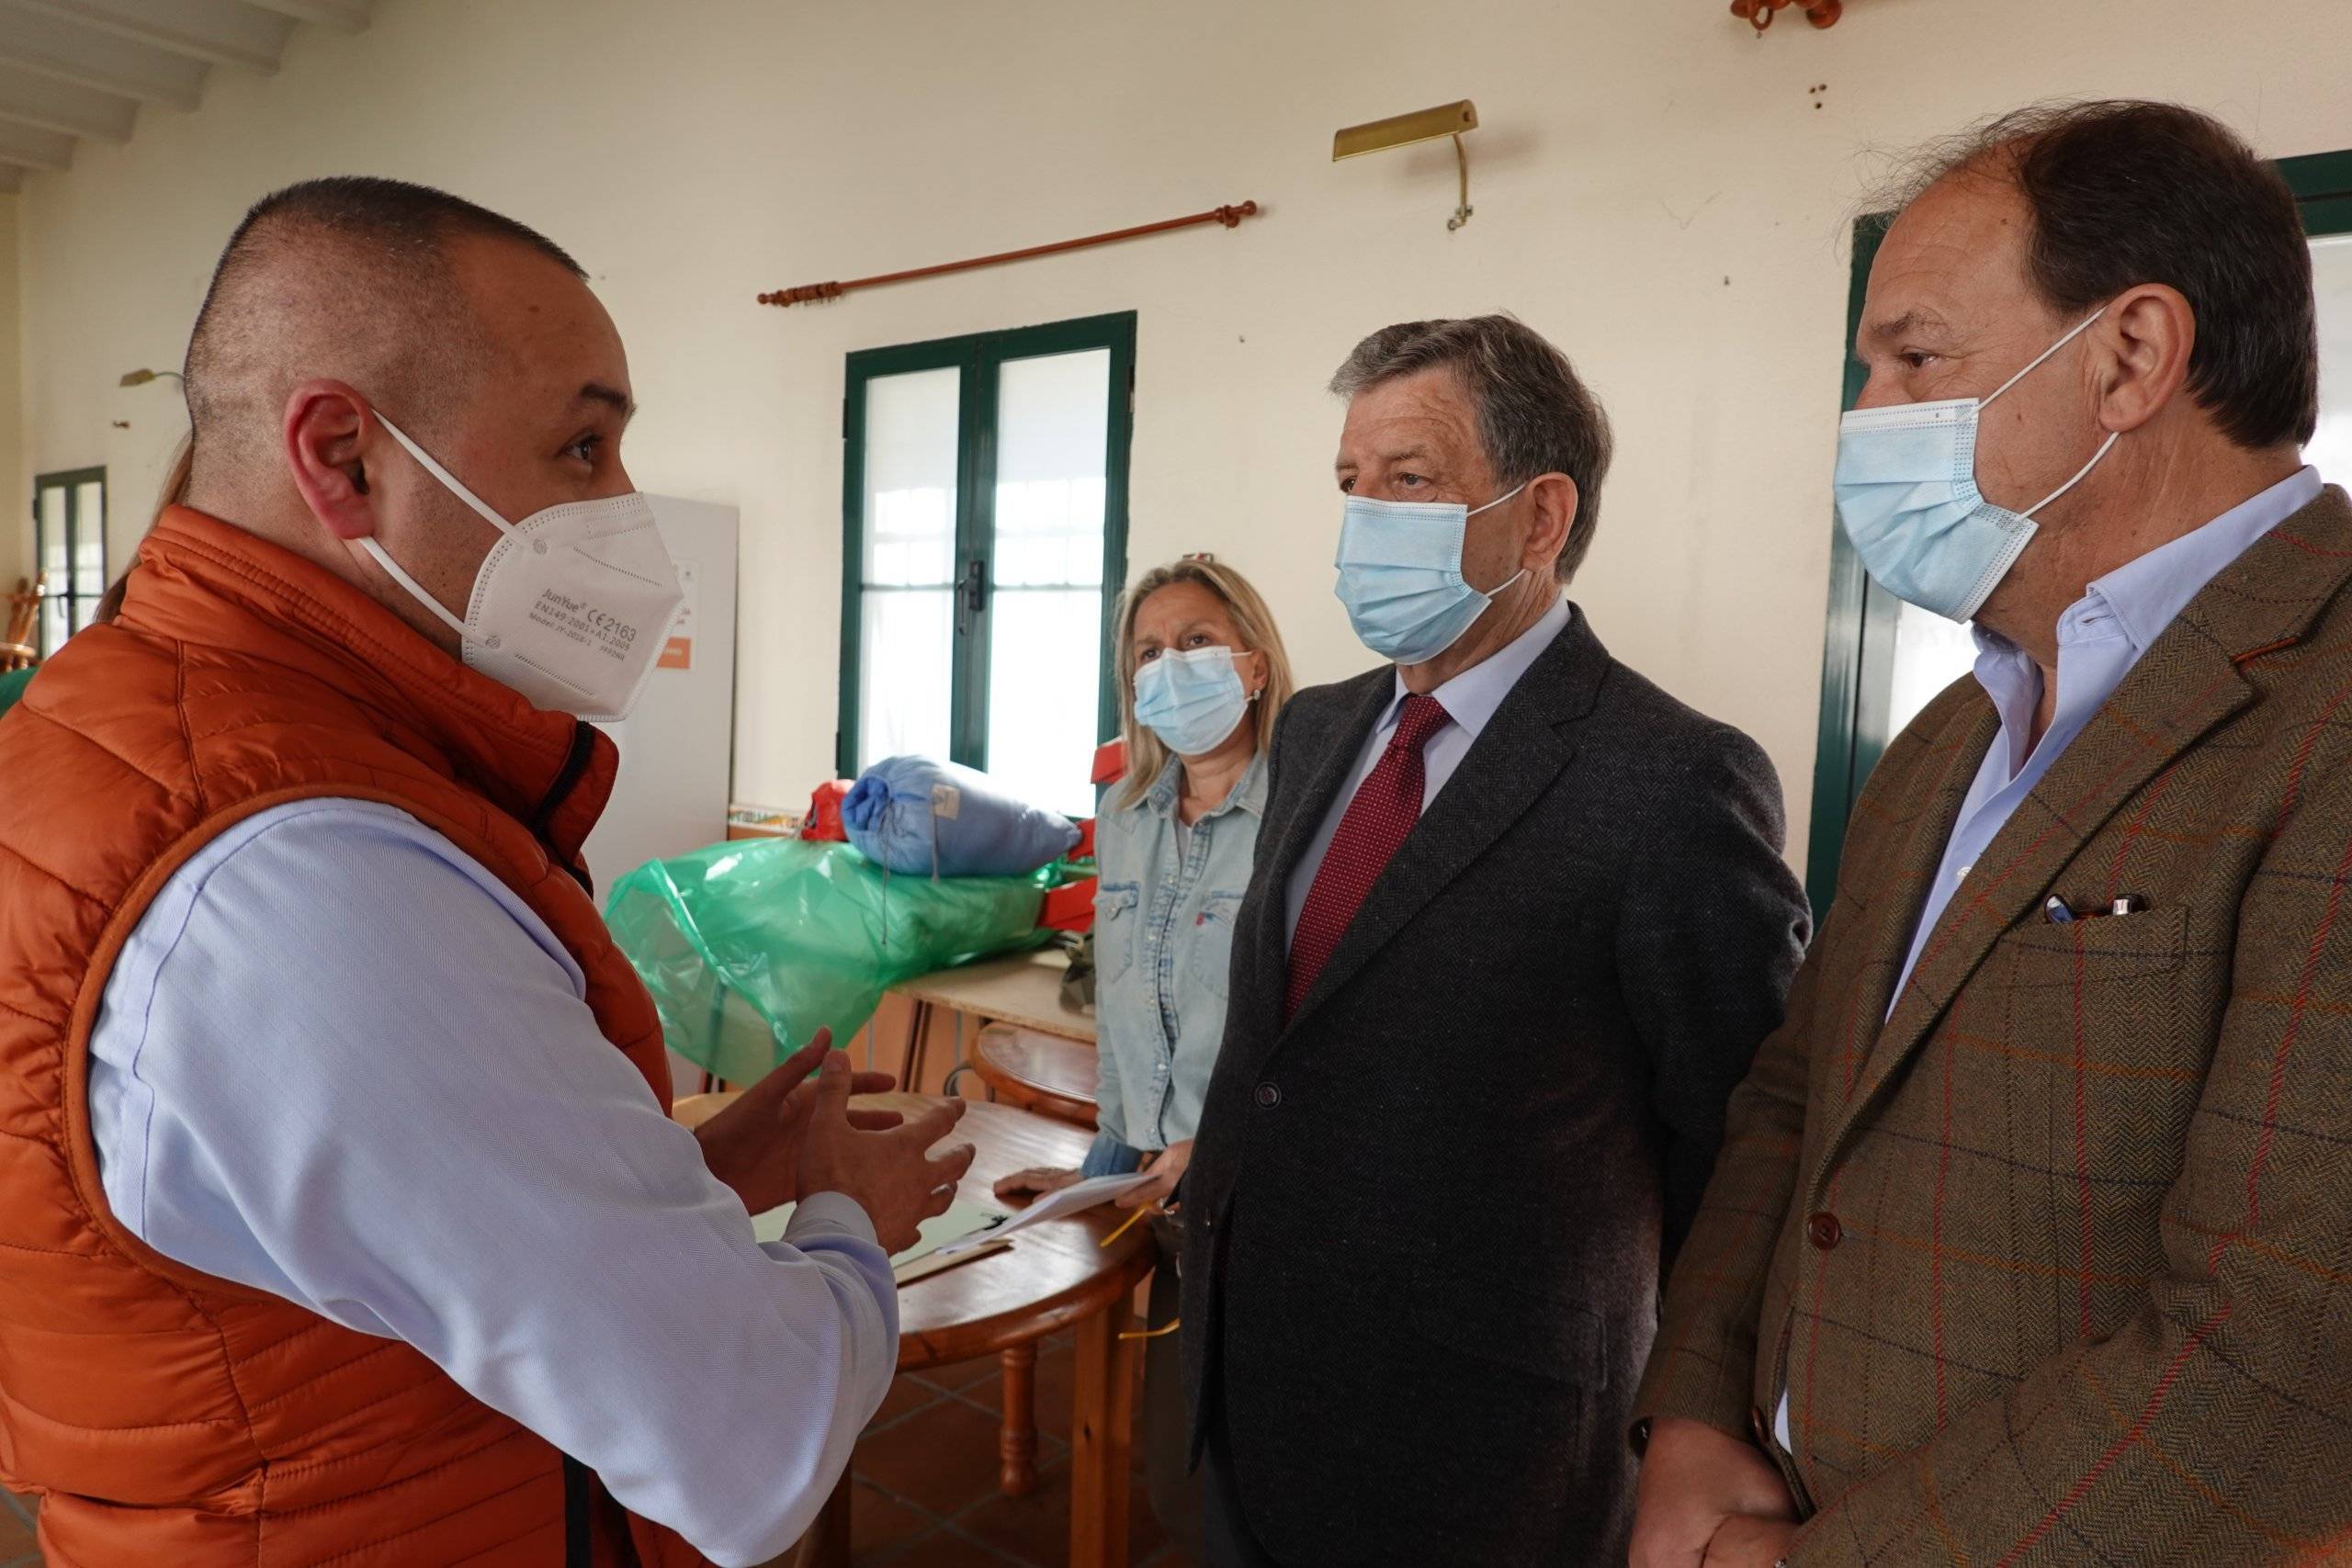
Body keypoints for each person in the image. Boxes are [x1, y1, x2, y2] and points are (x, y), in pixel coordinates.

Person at [0, 177, 972, 1567]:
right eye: (582, 446)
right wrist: (844, 1221)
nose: (627, 508)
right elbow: (749, 1437)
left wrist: (689, 1166)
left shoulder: (129, 729)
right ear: (342, 456)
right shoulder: (304, 873)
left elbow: (330, 1230)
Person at [1632, 99, 2352, 1568]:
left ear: (2131, 356)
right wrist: (1698, 1405)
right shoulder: (1954, 729)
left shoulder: (2322, 711)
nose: (1871, 417)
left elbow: (2281, 1358)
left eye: (1916, 358)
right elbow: (1795, 1095)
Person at [1178, 314, 1812, 1566]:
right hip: (1249, 1377)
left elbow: (1738, 1146)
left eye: (1409, 481)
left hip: (1488, 1446)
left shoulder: (1671, 780)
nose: (1364, 522)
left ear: (1539, 516)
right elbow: (1296, 1039)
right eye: (1351, 485)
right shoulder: (1316, 730)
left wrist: (1699, 1420)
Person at [995, 556, 1295, 1561]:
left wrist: (1221, 1150)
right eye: (1149, 653)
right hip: (1165, 1200)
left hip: (1276, 1205)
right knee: (1181, 1473)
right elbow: (1124, 1017)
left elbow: (1323, 1034)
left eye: (1198, 642)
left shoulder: (1310, 817)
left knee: (1280, 1470)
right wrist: (1100, 1173)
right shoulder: (1125, 818)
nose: (1172, 667)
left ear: (1253, 663)